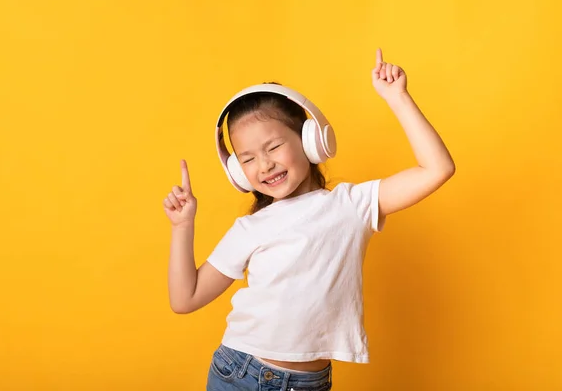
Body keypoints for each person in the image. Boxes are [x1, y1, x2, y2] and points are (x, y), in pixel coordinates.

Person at [163, 49, 455, 391]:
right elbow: (185, 298)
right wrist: (183, 226)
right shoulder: (250, 227)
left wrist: (397, 97)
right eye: (248, 159)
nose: (264, 165)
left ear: (309, 139)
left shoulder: (352, 204)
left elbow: (438, 169)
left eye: (272, 148)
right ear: (237, 172)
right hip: (241, 373)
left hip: (310, 383)